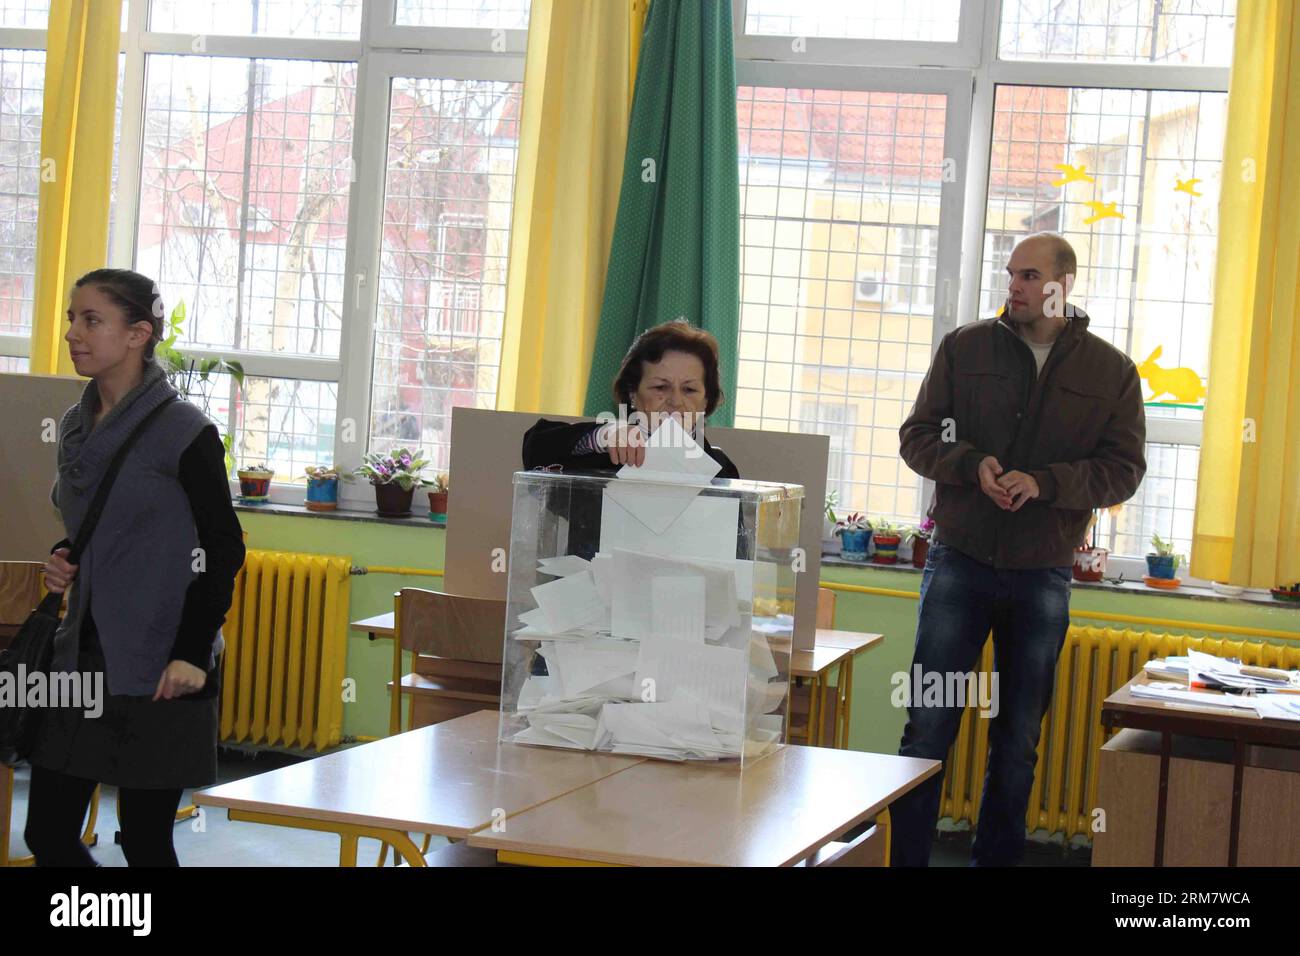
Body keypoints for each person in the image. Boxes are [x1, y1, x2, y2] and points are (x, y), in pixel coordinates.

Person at [891, 233, 1146, 866]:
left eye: (1029, 275)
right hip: (960, 558)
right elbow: (916, 437)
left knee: (1019, 737)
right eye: (1011, 275)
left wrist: (1048, 483)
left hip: (1042, 571)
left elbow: (1123, 470)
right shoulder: (966, 347)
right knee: (929, 723)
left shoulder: (1110, 372)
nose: (1015, 286)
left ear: (1064, 283)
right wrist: (971, 464)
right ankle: (902, 860)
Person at [25, 268, 245, 867]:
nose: (73, 332)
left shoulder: (187, 432)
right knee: (46, 834)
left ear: (138, 334)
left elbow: (223, 548)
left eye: (91, 319)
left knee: (146, 842)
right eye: (71, 318)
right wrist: (65, 559)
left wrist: (191, 652)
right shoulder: (75, 426)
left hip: (161, 661)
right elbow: (99, 527)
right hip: (79, 661)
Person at [521, 319, 740, 558]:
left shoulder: (721, 470)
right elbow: (537, 448)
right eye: (660, 387)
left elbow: (734, 551)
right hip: (594, 589)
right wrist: (602, 435)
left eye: (689, 389)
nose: (676, 401)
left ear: (706, 400)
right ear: (633, 393)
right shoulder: (604, 450)